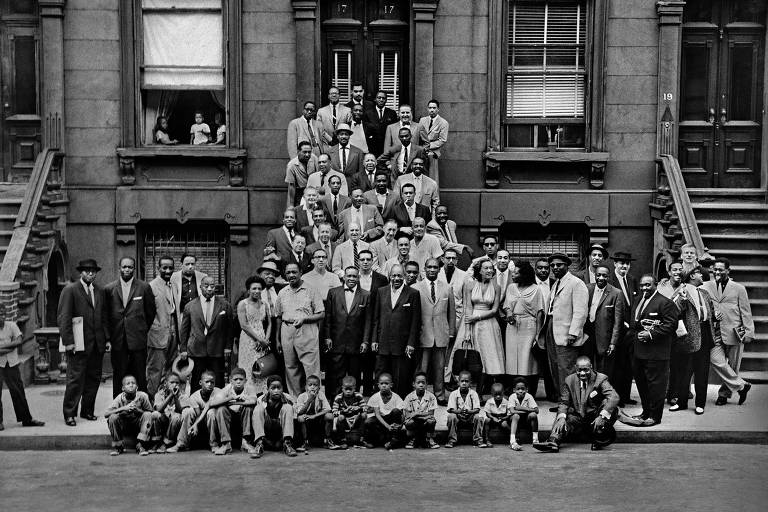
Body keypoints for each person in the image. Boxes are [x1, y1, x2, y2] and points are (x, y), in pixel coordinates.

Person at [58, 258, 108, 427]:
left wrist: (106, 338)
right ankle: (69, 414)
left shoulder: (100, 291)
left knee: (93, 379)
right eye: (87, 271)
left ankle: (87, 411)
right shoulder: (70, 290)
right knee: (75, 380)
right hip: (78, 344)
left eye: (93, 271)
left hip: (97, 345)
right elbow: (64, 317)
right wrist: (68, 342)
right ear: (81, 272)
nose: (90, 273)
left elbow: (104, 317)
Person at [534, 356, 619, 452]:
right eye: (579, 370)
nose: (582, 373)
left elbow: (614, 397)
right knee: (563, 414)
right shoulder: (569, 380)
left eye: (586, 370)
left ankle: (599, 439)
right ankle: (553, 441)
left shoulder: (601, 379)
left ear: (591, 367)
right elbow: (564, 402)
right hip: (578, 417)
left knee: (609, 406)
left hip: (594, 417)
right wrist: (561, 418)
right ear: (575, 368)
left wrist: (601, 417)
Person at [624, 274, 678, 427]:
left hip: (656, 353)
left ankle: (655, 417)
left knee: (656, 386)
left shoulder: (665, 303)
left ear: (655, 284)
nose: (644, 288)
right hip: (637, 351)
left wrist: (650, 334)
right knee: (642, 384)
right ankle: (646, 412)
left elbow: (670, 325)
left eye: (648, 285)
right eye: (642, 285)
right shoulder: (637, 300)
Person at [700, 257, 754, 405]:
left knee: (733, 366)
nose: (717, 272)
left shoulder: (739, 288)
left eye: (720, 269)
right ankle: (742, 386)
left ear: (728, 271)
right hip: (714, 332)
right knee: (716, 360)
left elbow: (746, 312)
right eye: (715, 269)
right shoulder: (704, 286)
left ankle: (723, 394)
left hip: (735, 332)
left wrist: (749, 332)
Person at [450, 259, 505, 393]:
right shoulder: (469, 285)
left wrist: (478, 316)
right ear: (479, 270)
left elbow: (494, 310)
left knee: (487, 360)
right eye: (486, 268)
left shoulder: (496, 287)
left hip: (489, 325)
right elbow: (468, 307)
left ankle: (480, 392)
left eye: (491, 268)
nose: (489, 271)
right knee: (471, 358)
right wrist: (468, 330)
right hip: (471, 324)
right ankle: (467, 391)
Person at [541, 253, 589, 408]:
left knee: (566, 369)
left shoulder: (576, 283)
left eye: (559, 265)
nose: (555, 268)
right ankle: (563, 401)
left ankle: (569, 403)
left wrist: (573, 332)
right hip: (551, 328)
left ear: (567, 265)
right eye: (553, 265)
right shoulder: (556, 284)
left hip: (566, 333)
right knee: (555, 367)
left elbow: (581, 311)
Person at [105, 256, 156, 397]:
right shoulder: (109, 289)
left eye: (130, 267)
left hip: (137, 339)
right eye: (124, 267)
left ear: (134, 269)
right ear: (119, 268)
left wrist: (141, 328)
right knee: (119, 374)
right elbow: (106, 316)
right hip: (118, 339)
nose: (127, 269)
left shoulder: (144, 287)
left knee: (139, 373)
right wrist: (108, 338)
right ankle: (118, 405)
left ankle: (142, 404)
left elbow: (151, 312)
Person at [371, 264, 421, 398]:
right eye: (394, 275)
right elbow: (376, 318)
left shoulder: (413, 293)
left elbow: (415, 322)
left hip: (402, 344)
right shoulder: (381, 292)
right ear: (389, 276)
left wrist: (411, 343)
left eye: (399, 275)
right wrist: (374, 339)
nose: (396, 278)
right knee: (381, 374)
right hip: (383, 342)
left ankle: (399, 404)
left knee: (400, 377)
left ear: (404, 276)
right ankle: (379, 402)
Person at [669, 268, 714, 414]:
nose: (703, 276)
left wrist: (716, 314)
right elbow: (672, 310)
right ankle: (681, 402)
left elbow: (711, 312)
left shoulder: (705, 293)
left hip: (705, 336)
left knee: (702, 372)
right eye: (700, 274)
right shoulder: (682, 291)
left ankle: (700, 403)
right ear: (693, 275)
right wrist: (681, 299)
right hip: (687, 337)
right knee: (684, 372)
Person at [275, 263, 325, 397]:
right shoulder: (282, 292)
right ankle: (295, 400)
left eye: (294, 272)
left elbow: (321, 313)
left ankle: (314, 400)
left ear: (300, 272)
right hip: (287, 329)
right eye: (288, 272)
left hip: (306, 328)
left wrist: (305, 319)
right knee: (291, 367)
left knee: (311, 367)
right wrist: (277, 339)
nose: (291, 275)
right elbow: (278, 317)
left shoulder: (311, 290)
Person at [323, 266, 372, 399]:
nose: (351, 278)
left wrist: (365, 341)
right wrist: (327, 337)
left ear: (358, 277)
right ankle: (335, 402)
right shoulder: (333, 292)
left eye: (354, 276)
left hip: (356, 343)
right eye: (348, 276)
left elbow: (368, 321)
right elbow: (328, 317)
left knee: (354, 374)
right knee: (336, 374)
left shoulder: (366, 295)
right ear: (344, 277)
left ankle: (354, 403)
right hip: (337, 341)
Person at [179, 276, 234, 390]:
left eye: (212, 286)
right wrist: (183, 349)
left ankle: (218, 403)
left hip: (217, 349)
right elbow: (184, 330)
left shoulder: (225, 305)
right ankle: (196, 404)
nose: (209, 289)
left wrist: (228, 347)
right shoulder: (190, 306)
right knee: (196, 380)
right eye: (206, 286)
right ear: (201, 287)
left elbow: (229, 329)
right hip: (196, 350)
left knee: (218, 380)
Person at [414, 258, 456, 404]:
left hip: (441, 333)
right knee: (422, 368)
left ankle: (439, 395)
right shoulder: (416, 287)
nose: (432, 270)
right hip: (422, 333)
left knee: (439, 368)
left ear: (439, 269)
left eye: (435, 267)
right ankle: (421, 395)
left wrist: (451, 331)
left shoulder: (447, 287)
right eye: (429, 267)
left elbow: (452, 312)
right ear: (424, 269)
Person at [0, 303, 44, 431]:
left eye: (3, 314)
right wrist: (10, 346)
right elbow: (15, 344)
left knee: (18, 391)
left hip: (12, 364)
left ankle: (26, 419)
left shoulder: (12, 326)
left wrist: (3, 347)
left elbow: (19, 341)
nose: (1, 317)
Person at [503, 261, 544, 393]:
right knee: (511, 358)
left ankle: (529, 390)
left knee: (527, 359)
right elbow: (507, 306)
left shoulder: (536, 289)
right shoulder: (511, 287)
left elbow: (539, 313)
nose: (513, 274)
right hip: (512, 326)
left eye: (516, 272)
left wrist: (538, 334)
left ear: (524, 274)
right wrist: (509, 313)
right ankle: (512, 390)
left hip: (529, 326)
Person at [608, 251, 639, 407]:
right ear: (615, 264)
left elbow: (635, 303)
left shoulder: (632, 279)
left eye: (626, 264)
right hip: (616, 329)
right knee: (616, 366)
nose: (624, 266)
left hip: (631, 331)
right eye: (621, 263)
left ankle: (626, 396)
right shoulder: (610, 280)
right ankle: (617, 398)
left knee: (628, 365)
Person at [167, 370, 222, 453]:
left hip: (213, 421)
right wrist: (195, 425)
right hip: (199, 420)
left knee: (211, 412)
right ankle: (181, 443)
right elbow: (198, 414)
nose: (210, 384)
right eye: (207, 382)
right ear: (200, 382)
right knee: (189, 411)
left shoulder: (218, 392)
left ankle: (214, 444)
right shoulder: (194, 396)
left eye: (212, 382)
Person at [208, 367, 257, 455]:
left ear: (245, 381)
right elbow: (212, 403)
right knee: (221, 409)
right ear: (231, 381)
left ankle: (245, 442)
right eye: (235, 379)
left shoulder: (249, 388)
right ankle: (226, 444)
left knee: (249, 408)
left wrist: (239, 402)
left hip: (243, 416)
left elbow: (253, 401)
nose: (238, 381)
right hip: (230, 417)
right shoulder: (227, 389)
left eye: (241, 379)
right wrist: (230, 398)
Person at [584, 265, 625, 373]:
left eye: (604, 275)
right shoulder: (587, 288)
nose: (601, 278)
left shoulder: (616, 293)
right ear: (595, 275)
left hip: (604, 337)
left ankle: (600, 389)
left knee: (603, 370)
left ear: (608, 277)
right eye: (598, 275)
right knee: (586, 366)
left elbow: (618, 322)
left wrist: (613, 343)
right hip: (587, 335)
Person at [146, 255, 177, 397]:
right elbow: (146, 313)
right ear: (158, 268)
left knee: (170, 369)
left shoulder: (173, 285)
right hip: (157, 335)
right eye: (164, 267)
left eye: (171, 268)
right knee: (155, 370)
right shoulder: (151, 286)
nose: (168, 270)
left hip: (173, 334)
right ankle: (152, 400)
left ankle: (166, 398)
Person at [236, 276, 271, 395]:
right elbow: (244, 325)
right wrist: (259, 340)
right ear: (248, 290)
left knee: (261, 367)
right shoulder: (243, 304)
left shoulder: (265, 304)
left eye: (259, 288)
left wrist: (266, 340)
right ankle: (249, 395)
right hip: (248, 339)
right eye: (254, 288)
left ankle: (262, 395)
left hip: (263, 340)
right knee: (248, 367)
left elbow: (270, 323)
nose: (257, 291)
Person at [105, 375, 154, 456]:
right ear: (123, 388)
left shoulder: (142, 396)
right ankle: (118, 446)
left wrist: (138, 411)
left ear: (137, 387)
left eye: (133, 383)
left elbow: (150, 412)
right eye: (128, 383)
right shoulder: (119, 398)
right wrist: (123, 408)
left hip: (138, 426)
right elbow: (106, 414)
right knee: (112, 417)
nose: (131, 385)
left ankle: (141, 445)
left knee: (147, 414)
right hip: (124, 426)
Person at [250, 375, 298, 458]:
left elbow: (294, 419)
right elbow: (258, 420)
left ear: (282, 388)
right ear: (268, 389)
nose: (276, 391)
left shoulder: (288, 399)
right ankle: (259, 444)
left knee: (288, 407)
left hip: (281, 432)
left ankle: (287, 444)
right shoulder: (261, 399)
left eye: (279, 388)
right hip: (267, 432)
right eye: (273, 388)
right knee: (258, 409)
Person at [170, 254, 208, 342]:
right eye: (187, 264)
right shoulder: (173, 277)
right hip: (181, 313)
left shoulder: (203, 276)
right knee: (182, 336)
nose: (190, 266)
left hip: (198, 314)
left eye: (192, 264)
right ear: (181, 264)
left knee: (197, 337)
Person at [363, 373, 404, 450]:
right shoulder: (375, 397)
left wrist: (400, 425)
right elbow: (377, 415)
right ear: (378, 385)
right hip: (380, 421)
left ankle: (394, 439)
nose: (384, 385)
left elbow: (401, 413)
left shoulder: (396, 397)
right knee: (368, 422)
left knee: (396, 411)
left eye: (386, 383)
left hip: (391, 421)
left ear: (391, 385)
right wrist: (387, 426)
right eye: (382, 383)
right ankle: (375, 440)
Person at [294, 374, 334, 450]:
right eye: (310, 385)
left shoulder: (321, 394)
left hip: (318, 421)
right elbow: (299, 412)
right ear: (306, 387)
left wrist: (315, 416)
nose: (312, 387)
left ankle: (328, 440)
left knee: (329, 415)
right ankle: (304, 441)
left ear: (319, 388)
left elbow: (328, 409)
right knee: (301, 418)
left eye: (315, 385)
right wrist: (309, 400)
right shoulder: (301, 396)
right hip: (306, 422)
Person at [445, 370, 484, 448]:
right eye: (462, 381)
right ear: (458, 382)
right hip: (458, 417)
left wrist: (470, 411)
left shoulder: (474, 393)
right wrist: (459, 411)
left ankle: (478, 440)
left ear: (470, 383)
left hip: (470, 417)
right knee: (451, 416)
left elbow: (477, 409)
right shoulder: (454, 394)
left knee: (478, 417)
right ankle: (451, 440)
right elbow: (450, 409)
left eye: (467, 381)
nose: (464, 383)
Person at [402, 372, 440, 449]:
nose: (421, 385)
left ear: (427, 384)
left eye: (423, 382)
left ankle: (429, 439)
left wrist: (417, 414)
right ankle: (413, 438)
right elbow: (407, 415)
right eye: (418, 382)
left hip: (425, 422)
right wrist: (421, 416)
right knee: (409, 422)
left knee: (431, 421)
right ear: (413, 384)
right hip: (415, 422)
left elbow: (431, 413)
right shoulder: (409, 397)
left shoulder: (431, 397)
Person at [151, 372, 185, 453]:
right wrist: (170, 396)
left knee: (176, 416)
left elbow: (180, 411)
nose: (175, 385)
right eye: (172, 382)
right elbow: (158, 409)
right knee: (155, 414)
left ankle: (166, 443)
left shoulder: (182, 395)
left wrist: (175, 397)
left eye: (177, 383)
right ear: (166, 384)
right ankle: (157, 442)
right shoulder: (159, 394)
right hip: (164, 422)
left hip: (174, 426)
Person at [330, 375, 367, 448]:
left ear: (354, 388)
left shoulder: (358, 396)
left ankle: (362, 438)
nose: (348, 391)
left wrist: (358, 408)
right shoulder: (338, 397)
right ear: (342, 388)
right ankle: (342, 439)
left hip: (356, 418)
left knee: (364, 415)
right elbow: (334, 411)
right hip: (345, 420)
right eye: (346, 389)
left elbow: (365, 408)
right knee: (340, 417)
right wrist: (343, 411)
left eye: (350, 389)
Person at [507, 378, 540, 450]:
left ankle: (535, 440)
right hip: (513, 420)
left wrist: (522, 408)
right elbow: (512, 411)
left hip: (525, 420)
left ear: (527, 389)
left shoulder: (529, 396)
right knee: (516, 416)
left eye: (523, 389)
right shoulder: (512, 397)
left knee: (533, 415)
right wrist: (528, 410)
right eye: (518, 389)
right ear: (514, 390)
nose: (520, 391)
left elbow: (536, 410)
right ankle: (512, 441)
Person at [285, 141, 319, 208]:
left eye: (309, 152)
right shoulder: (291, 165)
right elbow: (291, 186)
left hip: (315, 191)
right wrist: (291, 204)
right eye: (304, 152)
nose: (307, 154)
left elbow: (320, 175)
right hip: (300, 193)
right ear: (298, 152)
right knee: (301, 213)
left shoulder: (314, 158)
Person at [365, 90, 399, 156]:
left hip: (387, 145)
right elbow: (366, 130)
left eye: (383, 98)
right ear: (375, 99)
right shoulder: (368, 113)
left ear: (386, 100)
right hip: (372, 146)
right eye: (379, 98)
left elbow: (395, 130)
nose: (381, 100)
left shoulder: (392, 113)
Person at [438, 248, 467, 324]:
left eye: (453, 258)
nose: (451, 261)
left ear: (457, 260)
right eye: (448, 258)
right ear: (442, 259)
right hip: (440, 314)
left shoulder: (464, 275)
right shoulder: (436, 274)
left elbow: (466, 299)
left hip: (458, 315)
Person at [417, 99, 449, 164]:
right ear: (427, 109)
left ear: (438, 109)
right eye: (430, 108)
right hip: (421, 151)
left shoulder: (444, 123)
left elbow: (442, 140)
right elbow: (418, 135)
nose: (432, 110)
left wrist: (427, 146)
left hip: (433, 152)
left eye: (434, 108)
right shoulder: (422, 120)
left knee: (432, 172)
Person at [479, 383, 510, 447]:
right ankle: (487, 439)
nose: (498, 396)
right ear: (492, 394)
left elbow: (509, 414)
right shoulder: (489, 401)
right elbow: (487, 413)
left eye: (500, 394)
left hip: (502, 418)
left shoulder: (506, 402)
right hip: (493, 417)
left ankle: (513, 437)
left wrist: (504, 418)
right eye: (496, 394)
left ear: (503, 393)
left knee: (505, 424)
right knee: (487, 420)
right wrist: (493, 418)